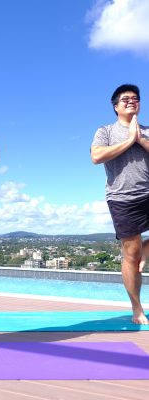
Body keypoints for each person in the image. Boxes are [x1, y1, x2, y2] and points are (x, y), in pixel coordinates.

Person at [91, 83, 149, 325]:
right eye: (125, 99)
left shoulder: (147, 130)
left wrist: (141, 139)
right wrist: (129, 141)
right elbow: (96, 156)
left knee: (139, 254)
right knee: (130, 255)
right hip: (122, 197)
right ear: (116, 106)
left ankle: (146, 251)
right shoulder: (105, 131)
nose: (131, 101)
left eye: (135, 98)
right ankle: (137, 308)